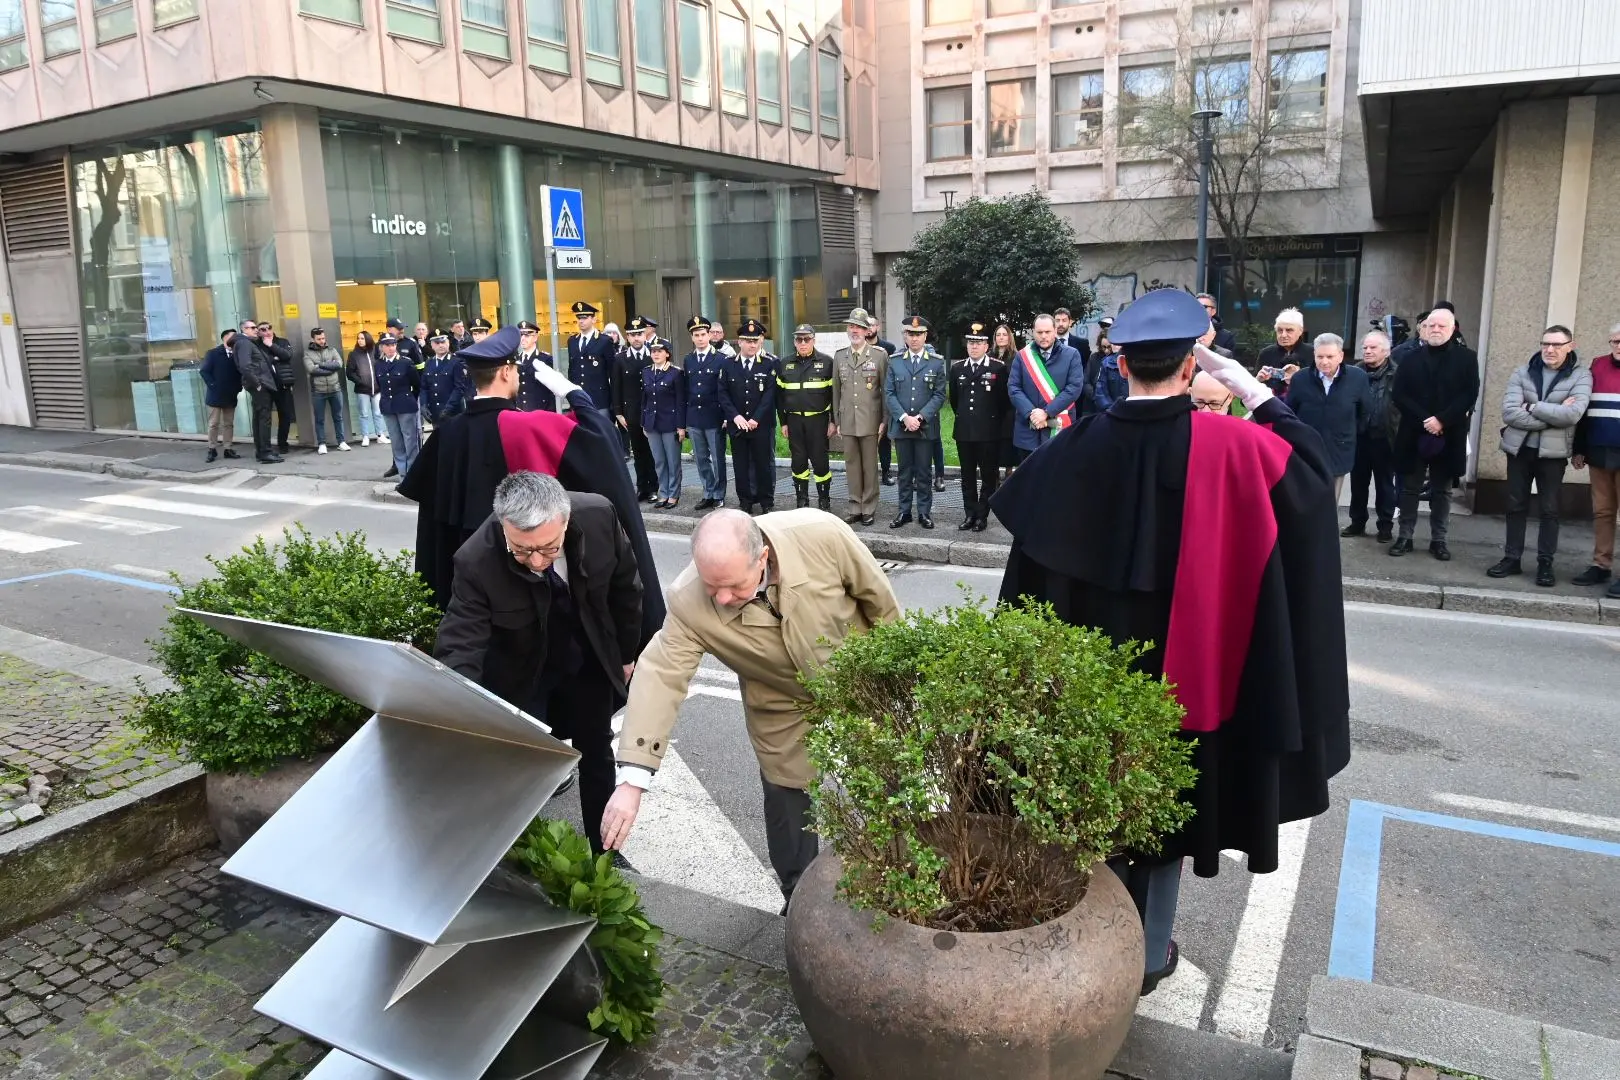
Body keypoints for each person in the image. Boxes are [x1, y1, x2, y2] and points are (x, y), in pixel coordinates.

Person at [990, 287, 1349, 996]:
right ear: (1191, 367)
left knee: (1092, 807)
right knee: (1166, 807)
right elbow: (1314, 470)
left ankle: (1088, 940)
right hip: (1192, 678)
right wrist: (1255, 392)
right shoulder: (1236, 446)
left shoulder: (1072, 450)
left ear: (1121, 365)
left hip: (1092, 681)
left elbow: (1027, 570)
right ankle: (1148, 953)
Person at [600, 508, 902, 909]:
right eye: (712, 587)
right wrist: (632, 780)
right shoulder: (689, 600)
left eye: (733, 586)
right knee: (785, 791)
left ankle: (904, 870)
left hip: (856, 673)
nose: (723, 598)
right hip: (778, 696)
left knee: (890, 772)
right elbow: (661, 674)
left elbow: (880, 602)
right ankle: (799, 896)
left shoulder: (823, 535)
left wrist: (897, 680)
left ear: (762, 558)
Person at [398, 324, 665, 643]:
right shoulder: (527, 426)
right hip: (524, 587)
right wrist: (574, 393)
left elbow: (433, 528)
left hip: (468, 593)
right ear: (506, 372)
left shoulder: (445, 434)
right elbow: (602, 439)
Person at [434, 471, 643, 858]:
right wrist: (463, 708)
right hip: (522, 669)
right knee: (520, 761)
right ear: (503, 526)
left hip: (587, 655)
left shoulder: (599, 516)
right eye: (521, 550)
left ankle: (606, 853)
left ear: (566, 520)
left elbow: (626, 589)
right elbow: (460, 640)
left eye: (548, 549)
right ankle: (518, 854)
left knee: (596, 750)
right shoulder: (476, 560)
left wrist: (626, 655)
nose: (535, 561)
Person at [1487, 325, 1591, 587]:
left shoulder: (1581, 376)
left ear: (1570, 346)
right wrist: (1553, 415)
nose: (1550, 349)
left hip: (1553, 455)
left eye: (1556, 344)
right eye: (1545, 344)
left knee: (1550, 509)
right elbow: (1510, 413)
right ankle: (1512, 558)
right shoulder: (1522, 372)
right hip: (1519, 450)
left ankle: (1545, 563)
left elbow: (1573, 414)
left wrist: (1532, 407)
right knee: (1515, 505)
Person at [1389, 308, 1480, 561]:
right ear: (1424, 329)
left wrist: (1442, 420)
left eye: (1441, 326)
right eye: (1431, 326)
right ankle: (1404, 536)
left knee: (1442, 490)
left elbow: (1469, 394)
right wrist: (1425, 420)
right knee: (1410, 488)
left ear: (1452, 329)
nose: (1436, 330)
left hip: (1450, 432)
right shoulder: (1410, 358)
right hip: (1414, 431)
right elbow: (1399, 394)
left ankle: (1439, 540)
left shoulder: (1467, 358)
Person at [1283, 332, 1369, 502]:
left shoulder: (1357, 377)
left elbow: (1364, 412)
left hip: (1339, 448)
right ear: (1314, 355)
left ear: (1341, 356)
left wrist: (1347, 433)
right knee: (1305, 500)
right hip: (1306, 450)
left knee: (1330, 502)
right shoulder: (1300, 379)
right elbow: (1290, 412)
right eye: (1320, 356)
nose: (1324, 361)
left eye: (1330, 356)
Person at [885, 316, 947, 529]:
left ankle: (924, 512)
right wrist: (905, 418)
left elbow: (939, 395)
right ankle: (904, 511)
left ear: (925, 336)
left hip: (925, 427)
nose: (914, 338)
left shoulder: (936, 362)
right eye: (910, 334)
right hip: (902, 426)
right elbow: (889, 393)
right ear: (905, 336)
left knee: (923, 471)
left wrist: (920, 418)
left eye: (918, 334)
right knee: (904, 472)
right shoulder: (894, 361)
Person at [1572, 325, 1620, 596]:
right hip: (1599, 450)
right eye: (1614, 341)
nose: (1618, 346)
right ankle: (1601, 565)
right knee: (1602, 511)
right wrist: (1579, 448)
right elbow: (1584, 409)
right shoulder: (1597, 365)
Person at [948, 320, 1009, 532]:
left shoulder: (998, 368)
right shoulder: (957, 369)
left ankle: (982, 515)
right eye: (971, 342)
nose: (974, 346)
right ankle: (969, 514)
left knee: (988, 476)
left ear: (986, 346)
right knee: (967, 477)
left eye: (978, 343)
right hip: (964, 431)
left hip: (988, 432)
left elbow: (1004, 402)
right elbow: (955, 400)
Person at [832, 309, 888, 526]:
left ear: (867, 331)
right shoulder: (840, 356)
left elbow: (885, 390)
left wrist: (884, 419)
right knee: (852, 465)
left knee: (869, 466)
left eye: (859, 327)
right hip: (847, 420)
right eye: (851, 326)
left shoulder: (879, 355)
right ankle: (855, 506)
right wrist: (837, 420)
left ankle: (869, 507)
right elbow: (836, 391)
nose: (854, 331)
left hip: (870, 420)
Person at [1343, 331, 1400, 542]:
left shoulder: (1398, 374)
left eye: (1373, 347)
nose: (1367, 351)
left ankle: (1385, 525)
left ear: (1386, 351)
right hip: (1359, 436)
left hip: (1386, 437)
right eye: (1365, 347)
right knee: (1358, 483)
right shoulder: (1353, 373)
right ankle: (1357, 522)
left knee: (1385, 485)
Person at [721, 319, 779, 515]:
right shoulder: (728, 364)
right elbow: (722, 393)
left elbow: (770, 395)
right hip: (737, 425)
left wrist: (756, 419)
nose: (752, 345)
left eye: (755, 341)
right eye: (748, 341)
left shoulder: (769, 363)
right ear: (739, 342)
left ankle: (766, 501)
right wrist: (735, 417)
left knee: (763, 464)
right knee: (741, 465)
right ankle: (745, 500)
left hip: (760, 425)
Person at [1007, 313, 1084, 461]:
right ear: (1033, 332)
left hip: (1060, 428)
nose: (1043, 336)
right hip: (1028, 430)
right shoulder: (1022, 356)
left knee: (1057, 474)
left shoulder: (1072, 354)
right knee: (1028, 475)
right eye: (1039, 332)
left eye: (1047, 332)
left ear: (1055, 331)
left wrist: (1046, 412)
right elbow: (1014, 388)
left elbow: (1074, 388)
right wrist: (1032, 414)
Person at [777, 324, 836, 511]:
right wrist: (783, 422)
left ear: (813, 340)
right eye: (799, 339)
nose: (803, 343)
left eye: (806, 339)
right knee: (798, 461)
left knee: (820, 462)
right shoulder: (785, 364)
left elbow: (835, 395)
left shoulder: (827, 362)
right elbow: (779, 397)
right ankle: (802, 500)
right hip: (794, 421)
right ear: (794, 342)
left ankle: (824, 500)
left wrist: (833, 421)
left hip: (818, 421)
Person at [683, 315, 729, 510]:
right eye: (696, 335)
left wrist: (726, 416)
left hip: (715, 416)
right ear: (692, 338)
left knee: (717, 459)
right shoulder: (688, 360)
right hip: (695, 416)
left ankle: (719, 494)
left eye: (703, 334)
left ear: (709, 335)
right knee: (701, 458)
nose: (700, 338)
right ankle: (708, 492)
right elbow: (686, 389)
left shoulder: (721, 359)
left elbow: (725, 390)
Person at [614, 315, 661, 502]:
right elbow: (616, 386)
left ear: (645, 334)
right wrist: (618, 412)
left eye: (639, 334)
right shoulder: (620, 359)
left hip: (652, 411)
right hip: (631, 412)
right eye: (632, 335)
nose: (636, 338)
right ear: (627, 337)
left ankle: (654, 487)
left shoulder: (654, 354)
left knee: (652, 452)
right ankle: (642, 488)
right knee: (639, 452)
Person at [642, 336, 687, 509]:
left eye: (660, 351)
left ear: (667, 354)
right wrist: (643, 422)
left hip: (670, 423)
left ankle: (673, 494)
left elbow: (680, 402)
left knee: (673, 461)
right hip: (652, 424)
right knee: (659, 461)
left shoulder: (676, 373)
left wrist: (681, 426)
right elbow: (644, 400)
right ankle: (663, 493)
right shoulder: (646, 372)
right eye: (653, 351)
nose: (656, 354)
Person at [233, 318, 280, 464]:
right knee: (264, 419)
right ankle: (265, 452)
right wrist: (257, 384)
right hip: (260, 385)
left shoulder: (246, 343)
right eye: (252, 328)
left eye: (255, 327)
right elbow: (245, 366)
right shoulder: (244, 343)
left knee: (259, 418)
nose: (256, 330)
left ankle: (262, 451)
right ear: (244, 329)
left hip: (260, 384)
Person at [375, 333, 422, 480]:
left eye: (393, 345)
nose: (391, 348)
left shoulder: (405, 362)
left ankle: (413, 476)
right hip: (388, 407)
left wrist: (409, 399)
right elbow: (380, 385)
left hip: (406, 405)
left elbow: (417, 385)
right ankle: (403, 475)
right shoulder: (379, 364)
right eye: (387, 345)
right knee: (396, 442)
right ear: (382, 347)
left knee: (410, 441)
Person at [303, 326, 350, 455]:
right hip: (318, 391)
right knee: (319, 419)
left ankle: (341, 442)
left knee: (338, 417)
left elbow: (339, 364)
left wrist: (320, 365)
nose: (322, 341)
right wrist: (330, 368)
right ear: (313, 339)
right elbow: (311, 369)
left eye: (323, 338)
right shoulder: (308, 353)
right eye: (319, 339)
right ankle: (322, 444)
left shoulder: (332, 350)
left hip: (335, 388)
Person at [567, 300, 617, 414]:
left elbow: (612, 371)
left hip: (599, 399)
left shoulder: (604, 341)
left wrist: (614, 402)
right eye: (579, 318)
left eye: (585, 318)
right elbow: (572, 370)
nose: (581, 321)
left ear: (594, 319)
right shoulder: (572, 341)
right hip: (578, 398)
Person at [199, 329, 241, 464]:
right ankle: (212, 449)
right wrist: (214, 386)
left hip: (230, 394)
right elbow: (204, 371)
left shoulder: (237, 354)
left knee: (228, 423)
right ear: (225, 338)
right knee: (214, 424)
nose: (235, 339)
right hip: (215, 395)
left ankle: (228, 448)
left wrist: (238, 388)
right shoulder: (213, 353)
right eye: (232, 336)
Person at [255, 321, 297, 455]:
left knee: (285, 415)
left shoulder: (282, 342)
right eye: (263, 329)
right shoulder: (256, 345)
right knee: (265, 417)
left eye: (269, 328)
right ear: (258, 332)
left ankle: (282, 443)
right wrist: (276, 357)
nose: (267, 331)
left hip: (282, 384)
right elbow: (261, 362)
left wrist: (271, 345)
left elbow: (287, 355)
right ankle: (265, 446)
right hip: (266, 385)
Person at [419, 330, 473, 428]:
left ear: (448, 343)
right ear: (432, 345)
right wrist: (423, 405)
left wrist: (448, 408)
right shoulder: (429, 363)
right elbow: (424, 387)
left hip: (453, 412)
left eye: (443, 342)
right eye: (437, 343)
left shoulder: (456, 362)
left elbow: (459, 388)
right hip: (435, 412)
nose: (440, 345)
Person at [1257, 308, 1311, 393]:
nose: (1283, 335)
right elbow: (1252, 390)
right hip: (1272, 400)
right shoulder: (1266, 353)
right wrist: (1258, 380)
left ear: (1300, 331)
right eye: (1280, 330)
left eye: (1289, 330)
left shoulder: (1313, 353)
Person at [346, 330, 385, 447]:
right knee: (364, 414)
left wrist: (380, 381)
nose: (360, 340)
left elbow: (381, 366)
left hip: (376, 388)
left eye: (362, 338)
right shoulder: (353, 354)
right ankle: (365, 436)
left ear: (367, 339)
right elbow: (350, 372)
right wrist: (360, 381)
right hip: (362, 389)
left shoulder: (375, 351)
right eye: (358, 338)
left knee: (378, 413)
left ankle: (380, 435)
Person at [515, 320, 562, 413]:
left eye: (527, 335)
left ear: (535, 337)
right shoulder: (514, 360)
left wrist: (550, 413)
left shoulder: (545, 359)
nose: (523, 338)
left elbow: (552, 389)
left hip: (540, 410)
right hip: (520, 411)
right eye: (521, 335)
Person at [1054, 306, 1094, 372]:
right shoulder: (1047, 343)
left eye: (1064, 320)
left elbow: (1086, 368)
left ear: (1070, 322)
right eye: (1057, 321)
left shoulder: (1082, 344)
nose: (1060, 324)